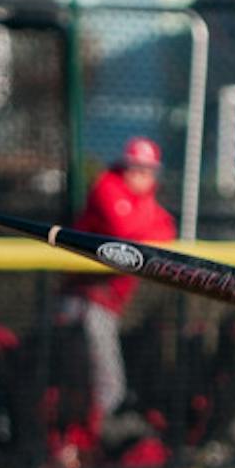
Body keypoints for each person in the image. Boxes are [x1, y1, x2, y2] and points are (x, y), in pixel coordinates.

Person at [60, 136, 176, 436]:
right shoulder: (107, 186)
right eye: (134, 168)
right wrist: (147, 226)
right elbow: (122, 235)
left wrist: (146, 225)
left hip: (107, 304)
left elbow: (168, 232)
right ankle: (83, 438)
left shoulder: (145, 200)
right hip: (84, 299)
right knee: (101, 382)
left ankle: (84, 438)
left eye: (147, 170)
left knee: (98, 381)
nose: (140, 175)